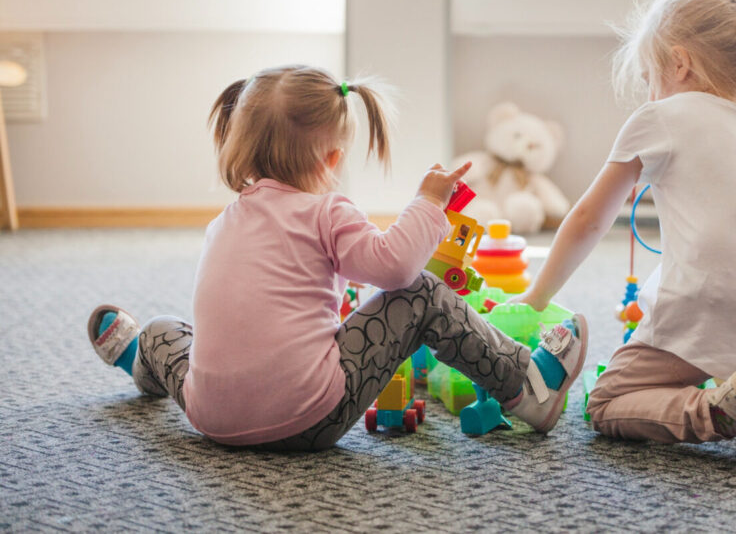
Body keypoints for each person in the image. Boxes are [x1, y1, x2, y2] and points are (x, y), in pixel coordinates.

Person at [87, 65, 587, 450]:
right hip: (308, 420)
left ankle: (140, 365)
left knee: (159, 329)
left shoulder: (223, 221)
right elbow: (395, 268)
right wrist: (428, 203)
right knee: (421, 293)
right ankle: (528, 388)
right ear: (332, 159)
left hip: (211, 419)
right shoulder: (326, 211)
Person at [511, 0, 736, 455]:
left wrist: (536, 296)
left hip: (701, 308)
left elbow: (590, 219)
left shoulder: (659, 118)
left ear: (680, 63)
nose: (650, 92)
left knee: (607, 402)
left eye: (650, 76)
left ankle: (716, 409)